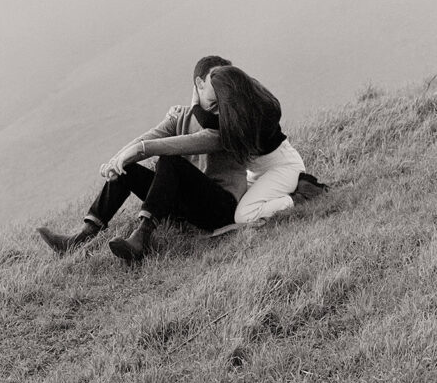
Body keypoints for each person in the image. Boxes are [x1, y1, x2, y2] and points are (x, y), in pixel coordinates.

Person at [37, 54, 250, 263]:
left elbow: (178, 144)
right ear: (199, 83)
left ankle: (142, 236)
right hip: (188, 206)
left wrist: (139, 150)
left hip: (220, 207)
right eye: (216, 76)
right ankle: (82, 236)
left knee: (170, 159)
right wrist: (117, 161)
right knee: (127, 169)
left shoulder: (229, 121)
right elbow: (150, 136)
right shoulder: (180, 116)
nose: (223, 82)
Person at [201, 65, 316, 225]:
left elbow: (207, 121)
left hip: (283, 167)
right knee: (230, 207)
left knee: (244, 215)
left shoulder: (260, 113)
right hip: (257, 173)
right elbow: (209, 120)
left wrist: (196, 99)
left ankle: (302, 195)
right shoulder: (245, 107)